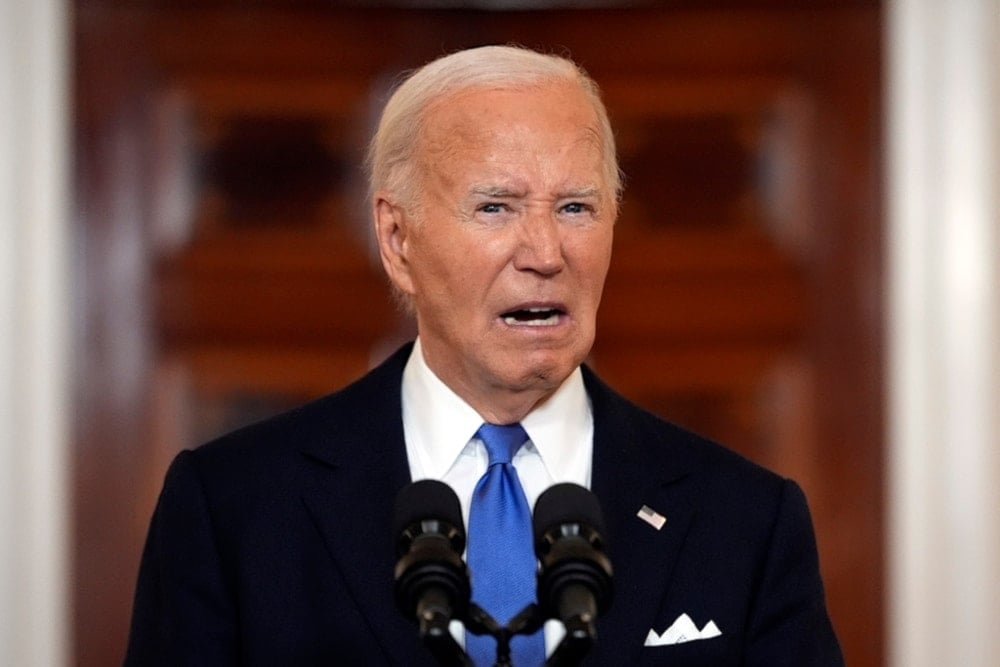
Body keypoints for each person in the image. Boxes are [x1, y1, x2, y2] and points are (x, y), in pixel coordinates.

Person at [125, 45, 843, 666]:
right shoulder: (232, 512)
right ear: (398, 238)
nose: (545, 253)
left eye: (576, 207)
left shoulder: (745, 520)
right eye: (496, 207)